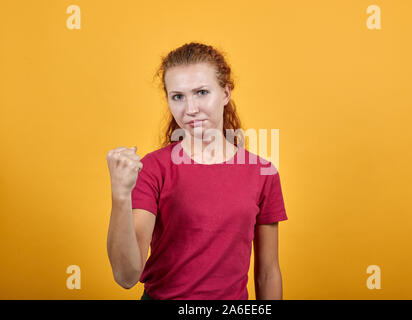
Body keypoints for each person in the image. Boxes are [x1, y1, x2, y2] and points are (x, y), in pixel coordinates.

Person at [106, 42, 288, 300]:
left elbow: (268, 273)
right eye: (178, 96)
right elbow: (126, 276)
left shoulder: (263, 173)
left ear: (225, 93)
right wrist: (120, 197)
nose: (190, 109)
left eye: (202, 92)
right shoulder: (153, 169)